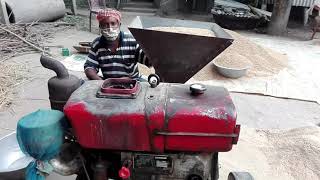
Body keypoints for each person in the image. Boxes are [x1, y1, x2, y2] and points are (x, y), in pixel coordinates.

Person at [84, 8, 152, 81]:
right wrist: (103, 83)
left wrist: (152, 48)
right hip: (109, 83)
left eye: (113, 23)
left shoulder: (131, 40)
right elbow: (89, 67)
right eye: (105, 25)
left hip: (132, 82)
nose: (110, 28)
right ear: (100, 27)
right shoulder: (96, 44)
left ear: (119, 25)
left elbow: (149, 61)